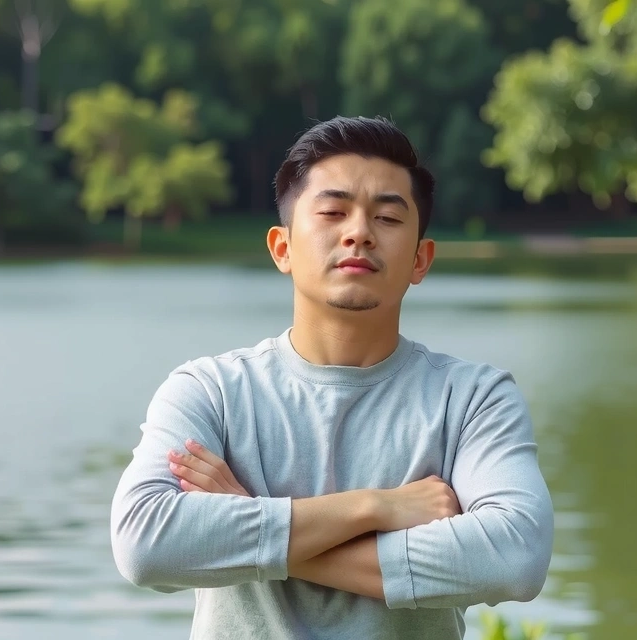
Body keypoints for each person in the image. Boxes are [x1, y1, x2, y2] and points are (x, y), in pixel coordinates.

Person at [110, 115, 554, 639]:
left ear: (420, 259)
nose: (359, 232)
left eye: (387, 219)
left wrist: (251, 521)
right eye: (332, 211)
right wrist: (377, 507)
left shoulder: (472, 399)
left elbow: (516, 557)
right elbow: (144, 542)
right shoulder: (211, 391)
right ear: (282, 248)